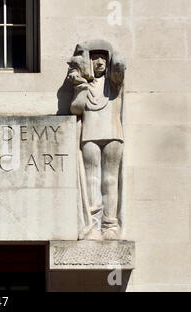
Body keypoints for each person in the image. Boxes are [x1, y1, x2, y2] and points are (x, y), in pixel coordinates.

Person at [67, 40, 126, 240]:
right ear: (88, 61)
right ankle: (93, 225)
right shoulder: (84, 84)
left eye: (103, 58)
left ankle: (110, 224)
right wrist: (81, 85)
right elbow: (76, 109)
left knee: (110, 180)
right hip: (90, 133)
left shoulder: (113, 82)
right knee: (92, 179)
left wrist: (114, 55)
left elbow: (119, 67)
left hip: (112, 134)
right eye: (94, 58)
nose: (99, 62)